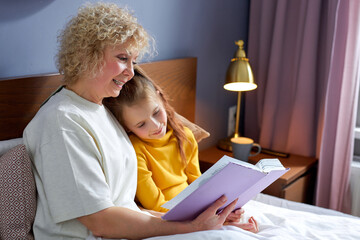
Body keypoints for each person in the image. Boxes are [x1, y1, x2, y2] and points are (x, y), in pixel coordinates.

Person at [23, 2, 252, 239]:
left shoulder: (101, 110)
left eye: (133, 61)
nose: (131, 72)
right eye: (122, 58)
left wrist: (207, 219)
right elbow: (100, 220)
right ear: (86, 55)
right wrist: (192, 228)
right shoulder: (62, 123)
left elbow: (124, 207)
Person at [104, 73, 259, 233]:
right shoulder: (136, 150)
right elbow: (155, 204)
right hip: (169, 215)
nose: (156, 126)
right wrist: (201, 220)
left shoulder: (185, 135)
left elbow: (199, 183)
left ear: (160, 99)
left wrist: (221, 209)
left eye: (156, 112)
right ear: (127, 127)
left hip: (194, 207)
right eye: (141, 124)